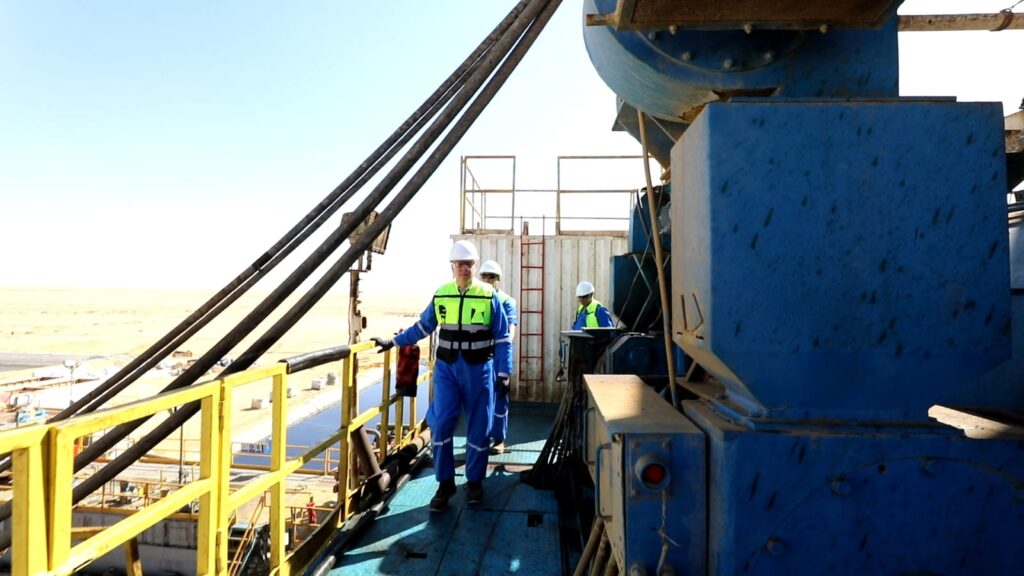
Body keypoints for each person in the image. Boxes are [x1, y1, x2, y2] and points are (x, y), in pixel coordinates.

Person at [371, 240, 511, 512]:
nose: (463, 268)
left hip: (479, 370)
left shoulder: (489, 296)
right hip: (447, 370)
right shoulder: (442, 294)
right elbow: (423, 326)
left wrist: (504, 373)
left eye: (468, 264)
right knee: (441, 424)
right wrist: (393, 341)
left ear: (475, 266)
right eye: (459, 264)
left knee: (479, 428)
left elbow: (503, 338)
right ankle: (445, 483)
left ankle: (474, 482)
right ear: (452, 267)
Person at [479, 260, 517, 455]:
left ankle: (499, 439)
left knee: (499, 398)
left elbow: (510, 331)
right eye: (484, 276)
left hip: (498, 357)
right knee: (480, 399)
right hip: (479, 357)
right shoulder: (476, 299)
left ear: (498, 280)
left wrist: (503, 342)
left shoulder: (507, 301)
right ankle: (480, 437)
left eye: (492, 276)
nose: (487, 279)